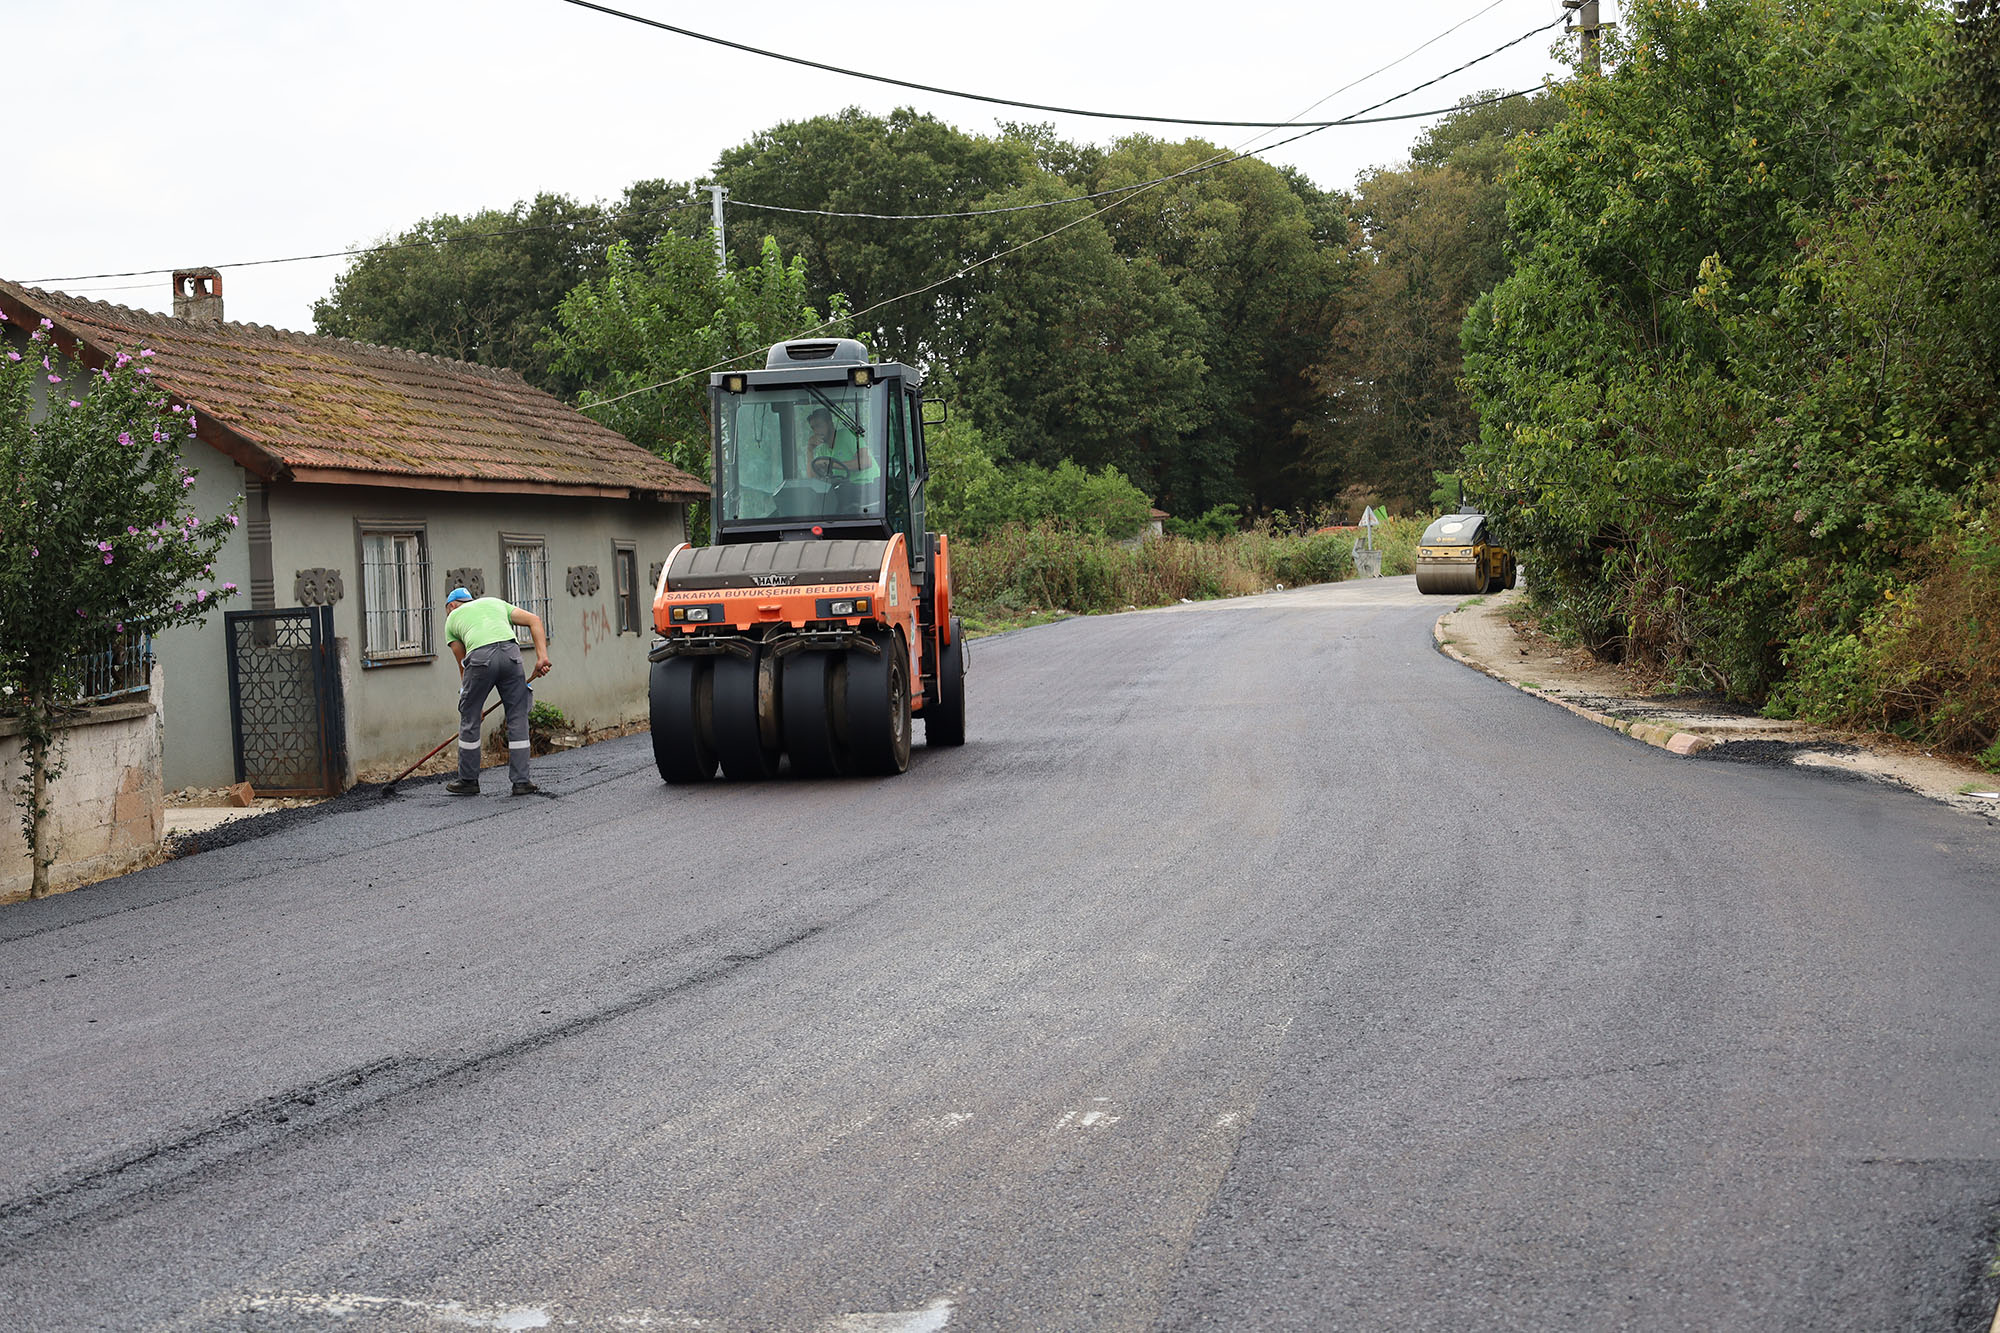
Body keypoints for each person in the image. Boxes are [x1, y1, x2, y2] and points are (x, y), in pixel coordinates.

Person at [441, 586, 552, 796]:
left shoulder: (453, 618)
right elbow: (534, 620)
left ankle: (468, 780)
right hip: (511, 655)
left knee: (469, 717)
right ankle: (521, 781)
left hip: (480, 658)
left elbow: (463, 664)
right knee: (517, 716)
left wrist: (473, 705)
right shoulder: (494, 602)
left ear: (452, 606)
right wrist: (542, 657)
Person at [806, 406, 878, 481]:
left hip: (869, 483)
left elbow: (866, 462)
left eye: (818, 425)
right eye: (813, 428)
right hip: (845, 485)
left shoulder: (847, 435)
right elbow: (812, 478)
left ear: (830, 423)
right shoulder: (822, 450)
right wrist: (809, 449)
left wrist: (831, 464)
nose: (816, 431)